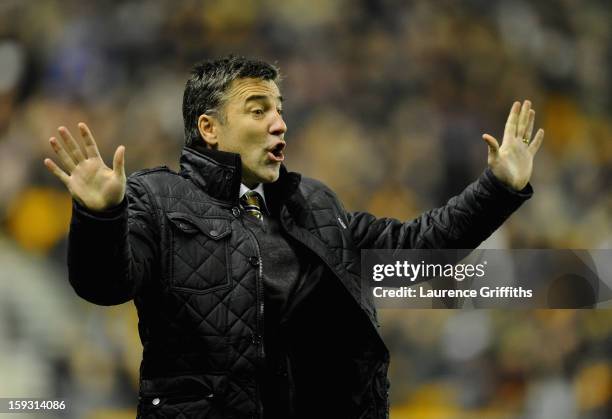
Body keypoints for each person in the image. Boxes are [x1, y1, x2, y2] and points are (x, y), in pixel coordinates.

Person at [44, 55, 544, 419]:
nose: (280, 122)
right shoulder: (157, 198)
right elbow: (103, 286)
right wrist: (100, 215)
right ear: (209, 128)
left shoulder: (317, 205)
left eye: (279, 108)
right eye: (258, 110)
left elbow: (419, 249)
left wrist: (499, 189)